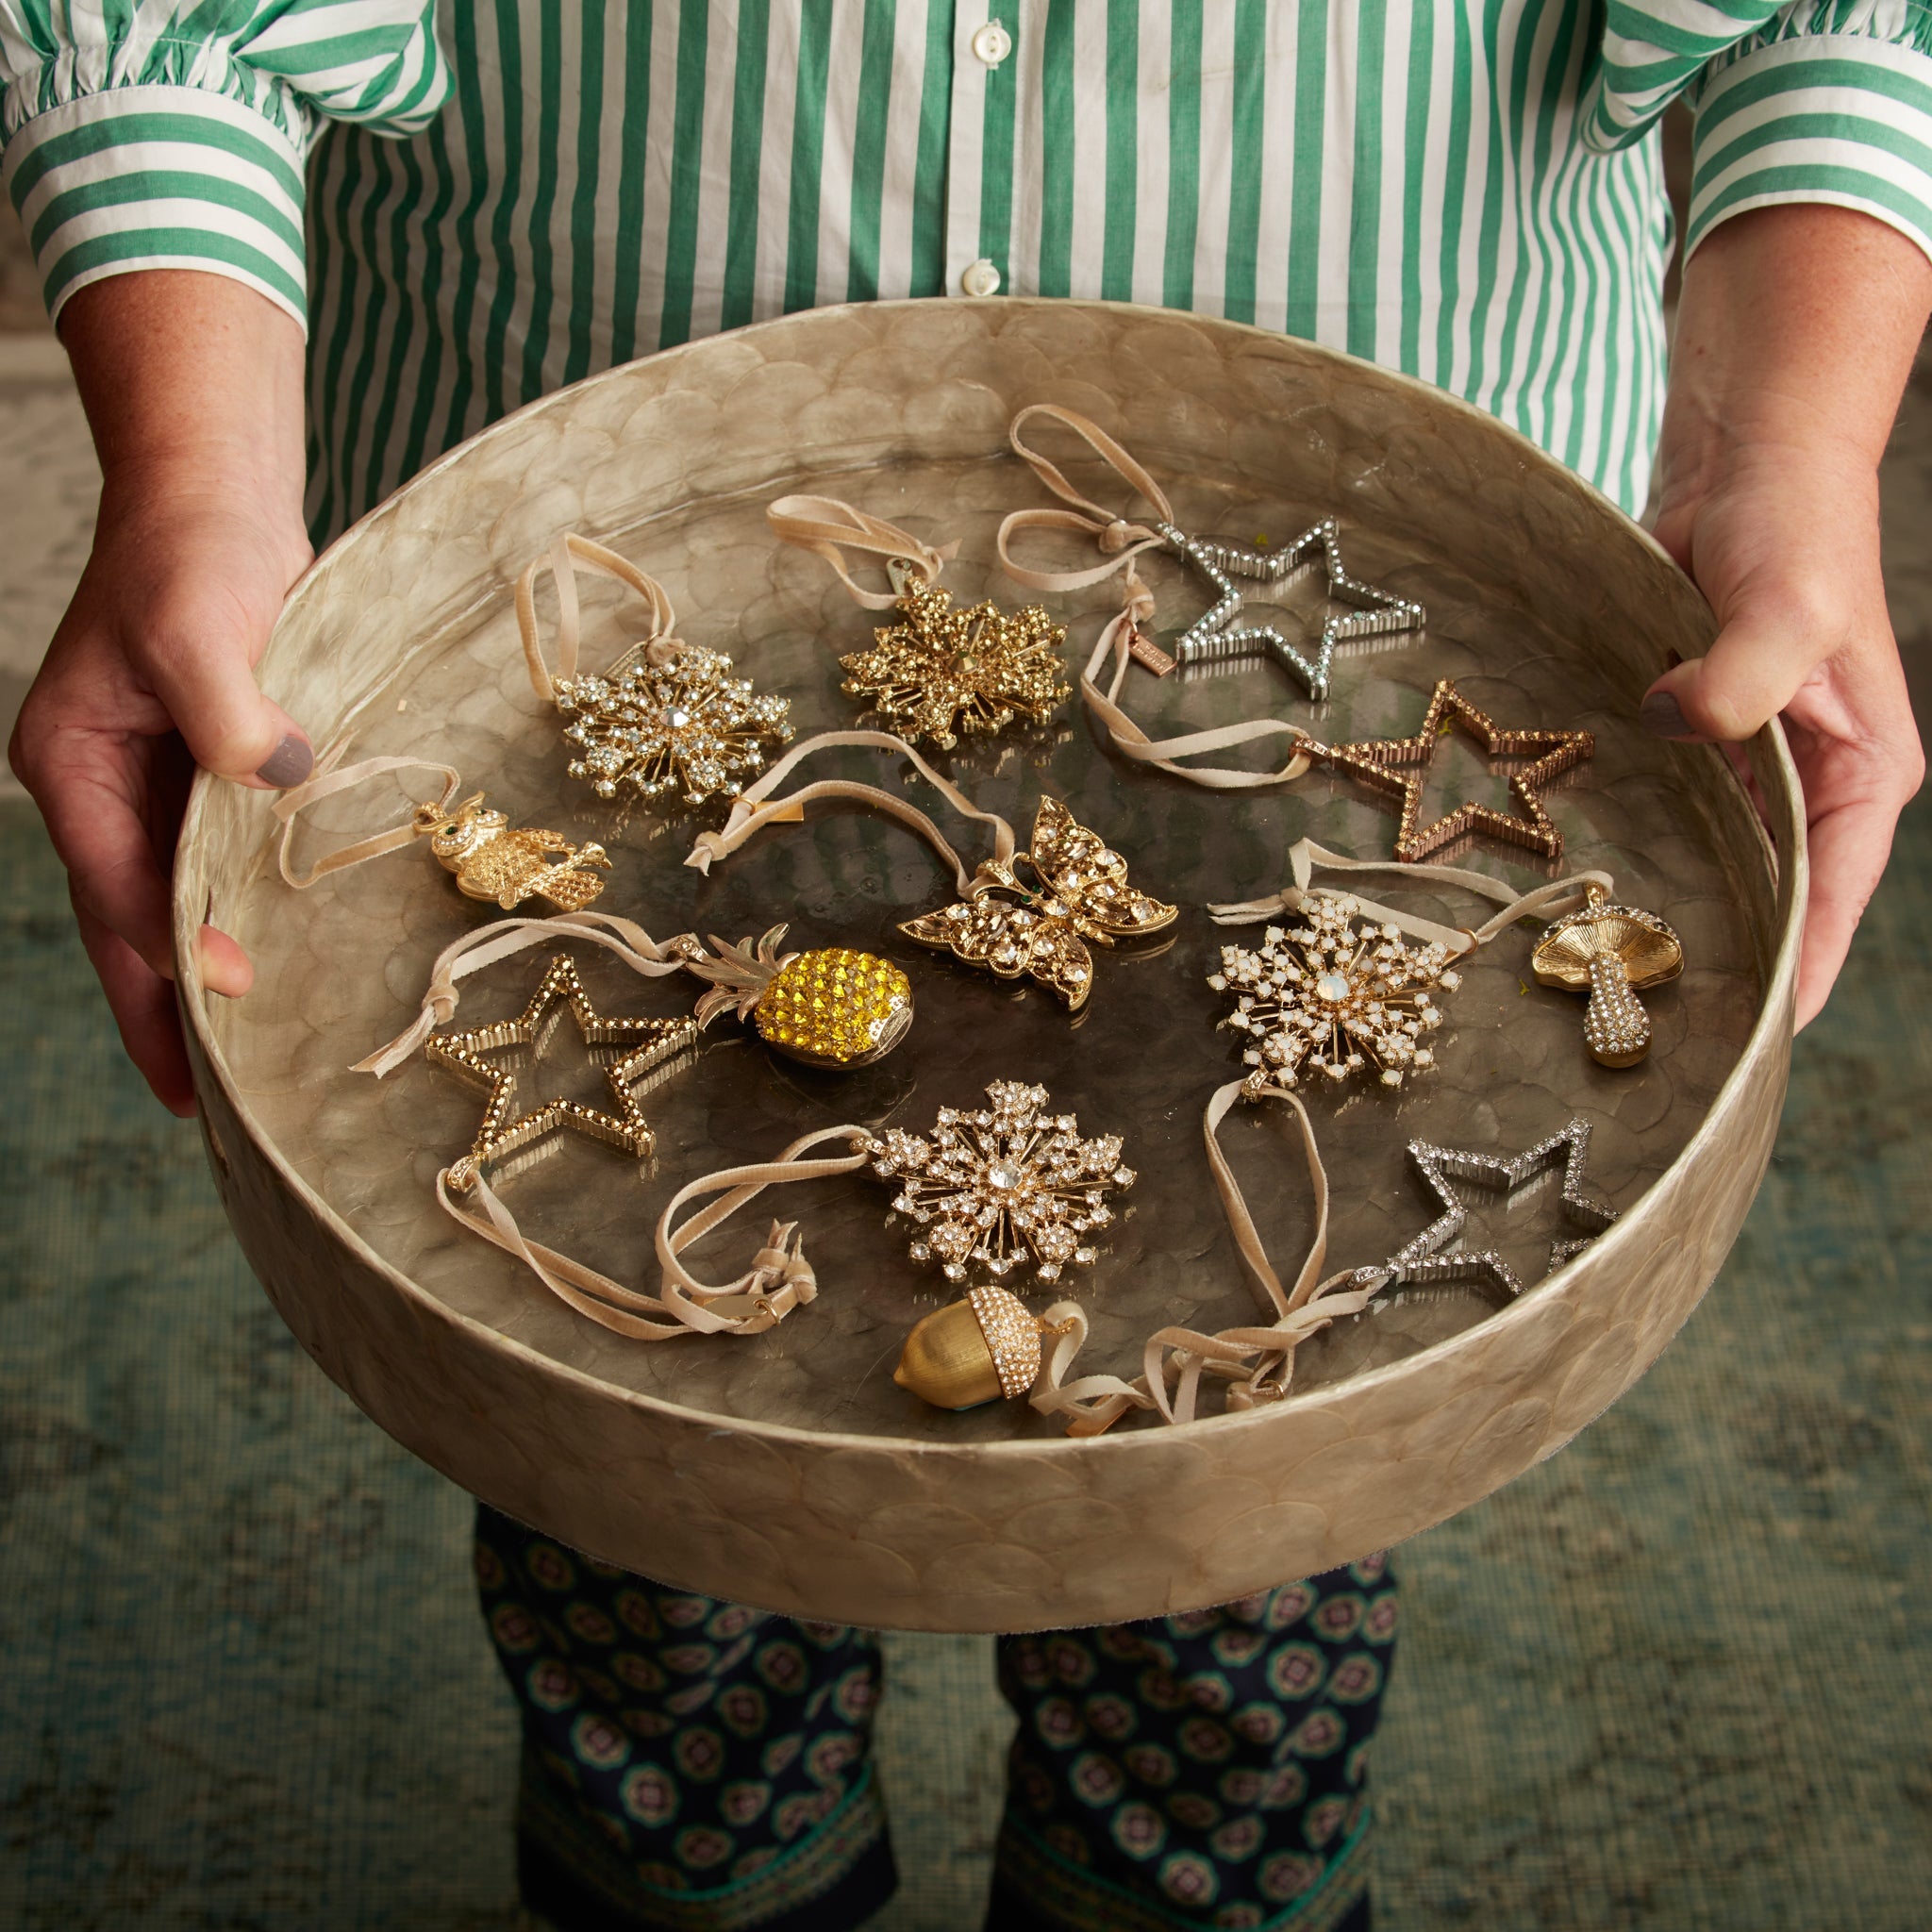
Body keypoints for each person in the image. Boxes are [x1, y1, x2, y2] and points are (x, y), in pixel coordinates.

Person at [5, 6, 1928, 1929]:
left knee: (1249, 1484)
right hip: (578, 629)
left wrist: (1791, 441)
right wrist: (193, 469)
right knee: (630, 1490)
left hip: (1342, 690)